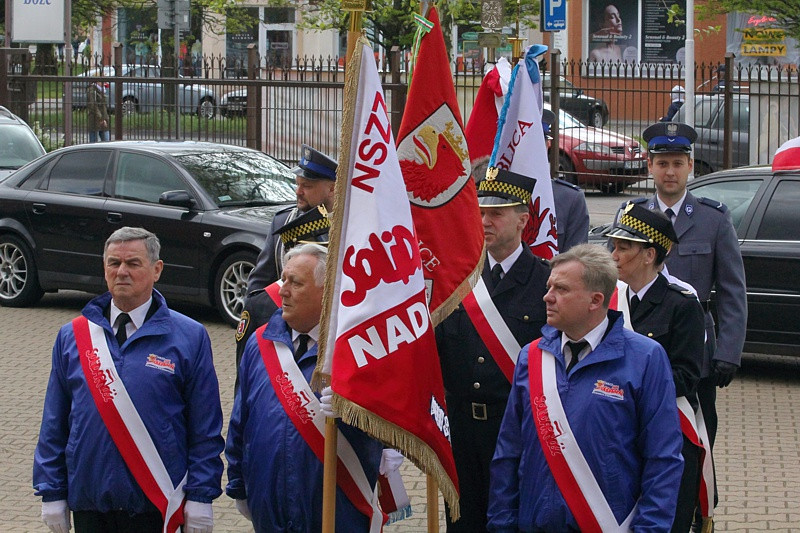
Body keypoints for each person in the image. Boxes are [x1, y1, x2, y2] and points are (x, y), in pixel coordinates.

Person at [33, 227, 224, 533]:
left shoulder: (189, 336)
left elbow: (204, 428)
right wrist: (51, 491)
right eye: (113, 263)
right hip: (89, 503)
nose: (121, 272)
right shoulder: (73, 336)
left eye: (133, 263)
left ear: (157, 269)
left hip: (157, 504)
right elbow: (55, 422)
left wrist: (201, 496)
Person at [488, 244, 684, 532]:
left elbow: (663, 460)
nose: (547, 297)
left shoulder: (645, 358)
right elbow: (508, 452)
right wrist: (501, 524)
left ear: (595, 300)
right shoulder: (531, 357)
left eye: (562, 289)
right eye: (549, 286)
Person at [616, 121, 747, 520]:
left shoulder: (712, 219)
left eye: (677, 163)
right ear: (650, 167)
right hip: (640, 341)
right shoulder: (632, 216)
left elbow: (731, 291)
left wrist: (728, 352)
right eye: (661, 163)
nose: (669, 172)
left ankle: (695, 509)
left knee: (695, 440)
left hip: (693, 355)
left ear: (690, 166)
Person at [225, 243, 384, 532]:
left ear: (327, 291)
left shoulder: (355, 350)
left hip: (335, 507)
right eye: (283, 279)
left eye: (295, 283)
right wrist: (238, 485)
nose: (282, 291)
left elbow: (391, 422)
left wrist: (355, 409)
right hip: (269, 505)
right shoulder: (259, 343)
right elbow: (240, 422)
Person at [437, 168, 550, 532]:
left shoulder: (546, 282)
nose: (485, 221)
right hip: (462, 430)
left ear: (523, 219)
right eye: (480, 212)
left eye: (496, 213)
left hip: (517, 430)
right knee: (463, 521)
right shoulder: (457, 279)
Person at [607, 203, 706, 533]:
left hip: (666, 432)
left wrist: (626, 387)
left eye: (623, 247)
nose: (614, 254)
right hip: (619, 432)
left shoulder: (682, 304)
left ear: (649, 255)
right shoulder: (610, 300)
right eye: (614, 246)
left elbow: (687, 376)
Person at [236, 144, 336, 374]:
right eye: (298, 185)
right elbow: (259, 284)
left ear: (331, 189)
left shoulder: (351, 226)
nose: (298, 192)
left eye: (307, 186)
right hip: (284, 331)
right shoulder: (283, 221)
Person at [542, 108, 591, 252]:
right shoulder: (497, 197)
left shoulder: (569, 199)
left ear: (547, 145)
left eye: (539, 142)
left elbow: (576, 262)